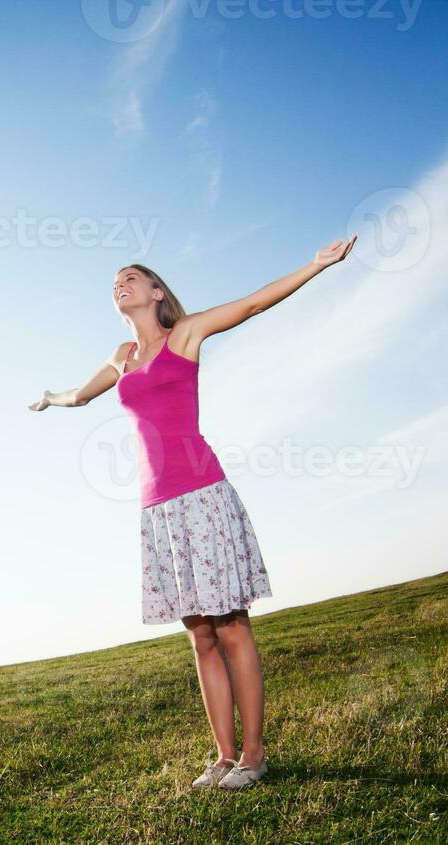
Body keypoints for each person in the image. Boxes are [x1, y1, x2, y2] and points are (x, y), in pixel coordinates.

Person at [28, 236, 357, 790]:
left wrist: (316, 265)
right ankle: (224, 756)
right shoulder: (121, 356)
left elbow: (252, 304)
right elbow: (82, 396)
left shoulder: (185, 334)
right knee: (200, 635)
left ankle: (255, 756)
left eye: (131, 276)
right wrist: (49, 398)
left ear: (157, 292)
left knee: (230, 627)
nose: (120, 283)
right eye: (115, 280)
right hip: (157, 508)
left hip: (202, 494)